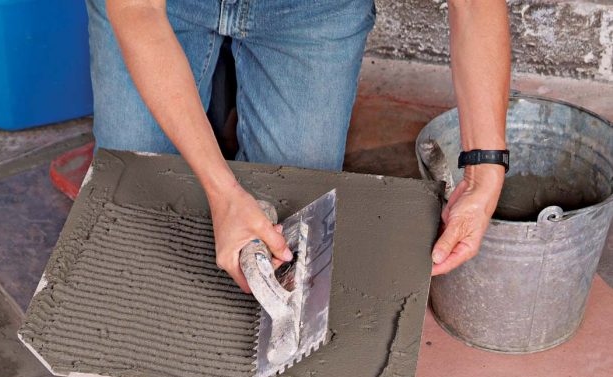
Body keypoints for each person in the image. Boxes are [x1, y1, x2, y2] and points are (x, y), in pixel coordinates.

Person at [87, 0, 510, 292]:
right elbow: (137, 10)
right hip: (165, 7)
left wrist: (484, 171)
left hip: (311, 10)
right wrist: (223, 192)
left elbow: (475, 6)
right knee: (134, 191)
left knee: (293, 225)